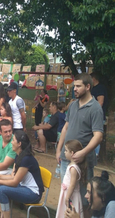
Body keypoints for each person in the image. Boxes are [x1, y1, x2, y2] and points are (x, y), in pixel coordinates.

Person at [56, 73, 103, 208]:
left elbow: (98, 136)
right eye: (73, 86)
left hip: (84, 162)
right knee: (67, 194)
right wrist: (59, 150)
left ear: (88, 86)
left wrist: (82, 153)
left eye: (78, 86)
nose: (74, 89)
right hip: (67, 158)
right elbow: (65, 128)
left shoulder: (95, 108)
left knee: (84, 199)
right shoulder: (72, 105)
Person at [0, 131, 44, 218]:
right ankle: (3, 214)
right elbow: (12, 176)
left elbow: (14, 182)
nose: (11, 142)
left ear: (19, 144)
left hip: (33, 193)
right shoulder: (19, 155)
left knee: (2, 189)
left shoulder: (26, 159)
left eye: (13, 140)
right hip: (24, 187)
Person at [56, 140, 87, 218]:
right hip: (67, 192)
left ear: (72, 153)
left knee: (70, 211)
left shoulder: (73, 168)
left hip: (71, 195)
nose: (64, 152)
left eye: (66, 150)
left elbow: (72, 184)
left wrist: (68, 197)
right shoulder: (71, 165)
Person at [90, 72, 108, 156]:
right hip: (92, 116)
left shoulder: (99, 88)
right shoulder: (93, 89)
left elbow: (100, 102)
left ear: (94, 79)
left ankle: (95, 154)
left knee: (96, 134)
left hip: (98, 116)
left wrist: (92, 112)